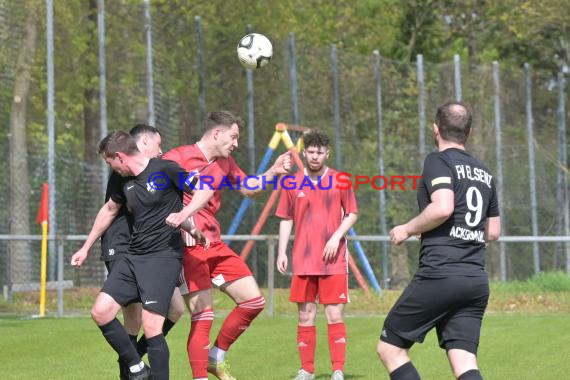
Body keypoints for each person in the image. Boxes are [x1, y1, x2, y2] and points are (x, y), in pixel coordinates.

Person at [162, 110, 292, 380]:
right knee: (203, 316)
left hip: (215, 244)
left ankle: (215, 356)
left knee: (253, 301)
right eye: (233, 137)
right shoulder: (177, 157)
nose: (236, 143)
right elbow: (153, 189)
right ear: (217, 133)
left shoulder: (226, 163)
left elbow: (249, 187)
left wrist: (272, 171)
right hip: (187, 245)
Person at [377, 102, 501, 380]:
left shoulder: (438, 161)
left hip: (441, 273)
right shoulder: (484, 173)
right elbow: (493, 231)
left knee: (390, 349)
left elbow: (443, 207)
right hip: (475, 281)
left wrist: (407, 228)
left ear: (435, 130)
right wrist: (450, 230)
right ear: (468, 131)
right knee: (464, 360)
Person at [74, 130, 207, 380]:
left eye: (109, 161)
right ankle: (136, 369)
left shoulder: (165, 169)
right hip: (133, 255)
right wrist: (86, 246)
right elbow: (109, 210)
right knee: (101, 312)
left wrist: (185, 217)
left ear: (120, 156)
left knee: (153, 326)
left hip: (162, 257)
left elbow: (204, 190)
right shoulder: (122, 179)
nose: (110, 167)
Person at [275, 131, 358, 380]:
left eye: (319, 152)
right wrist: (282, 251)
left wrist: (335, 237)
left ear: (327, 154)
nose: (314, 156)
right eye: (310, 151)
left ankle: (337, 370)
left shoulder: (340, 180)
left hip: (333, 261)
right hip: (303, 260)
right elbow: (286, 218)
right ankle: (307, 370)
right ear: (304, 152)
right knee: (305, 315)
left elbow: (352, 213)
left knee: (334, 314)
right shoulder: (291, 183)